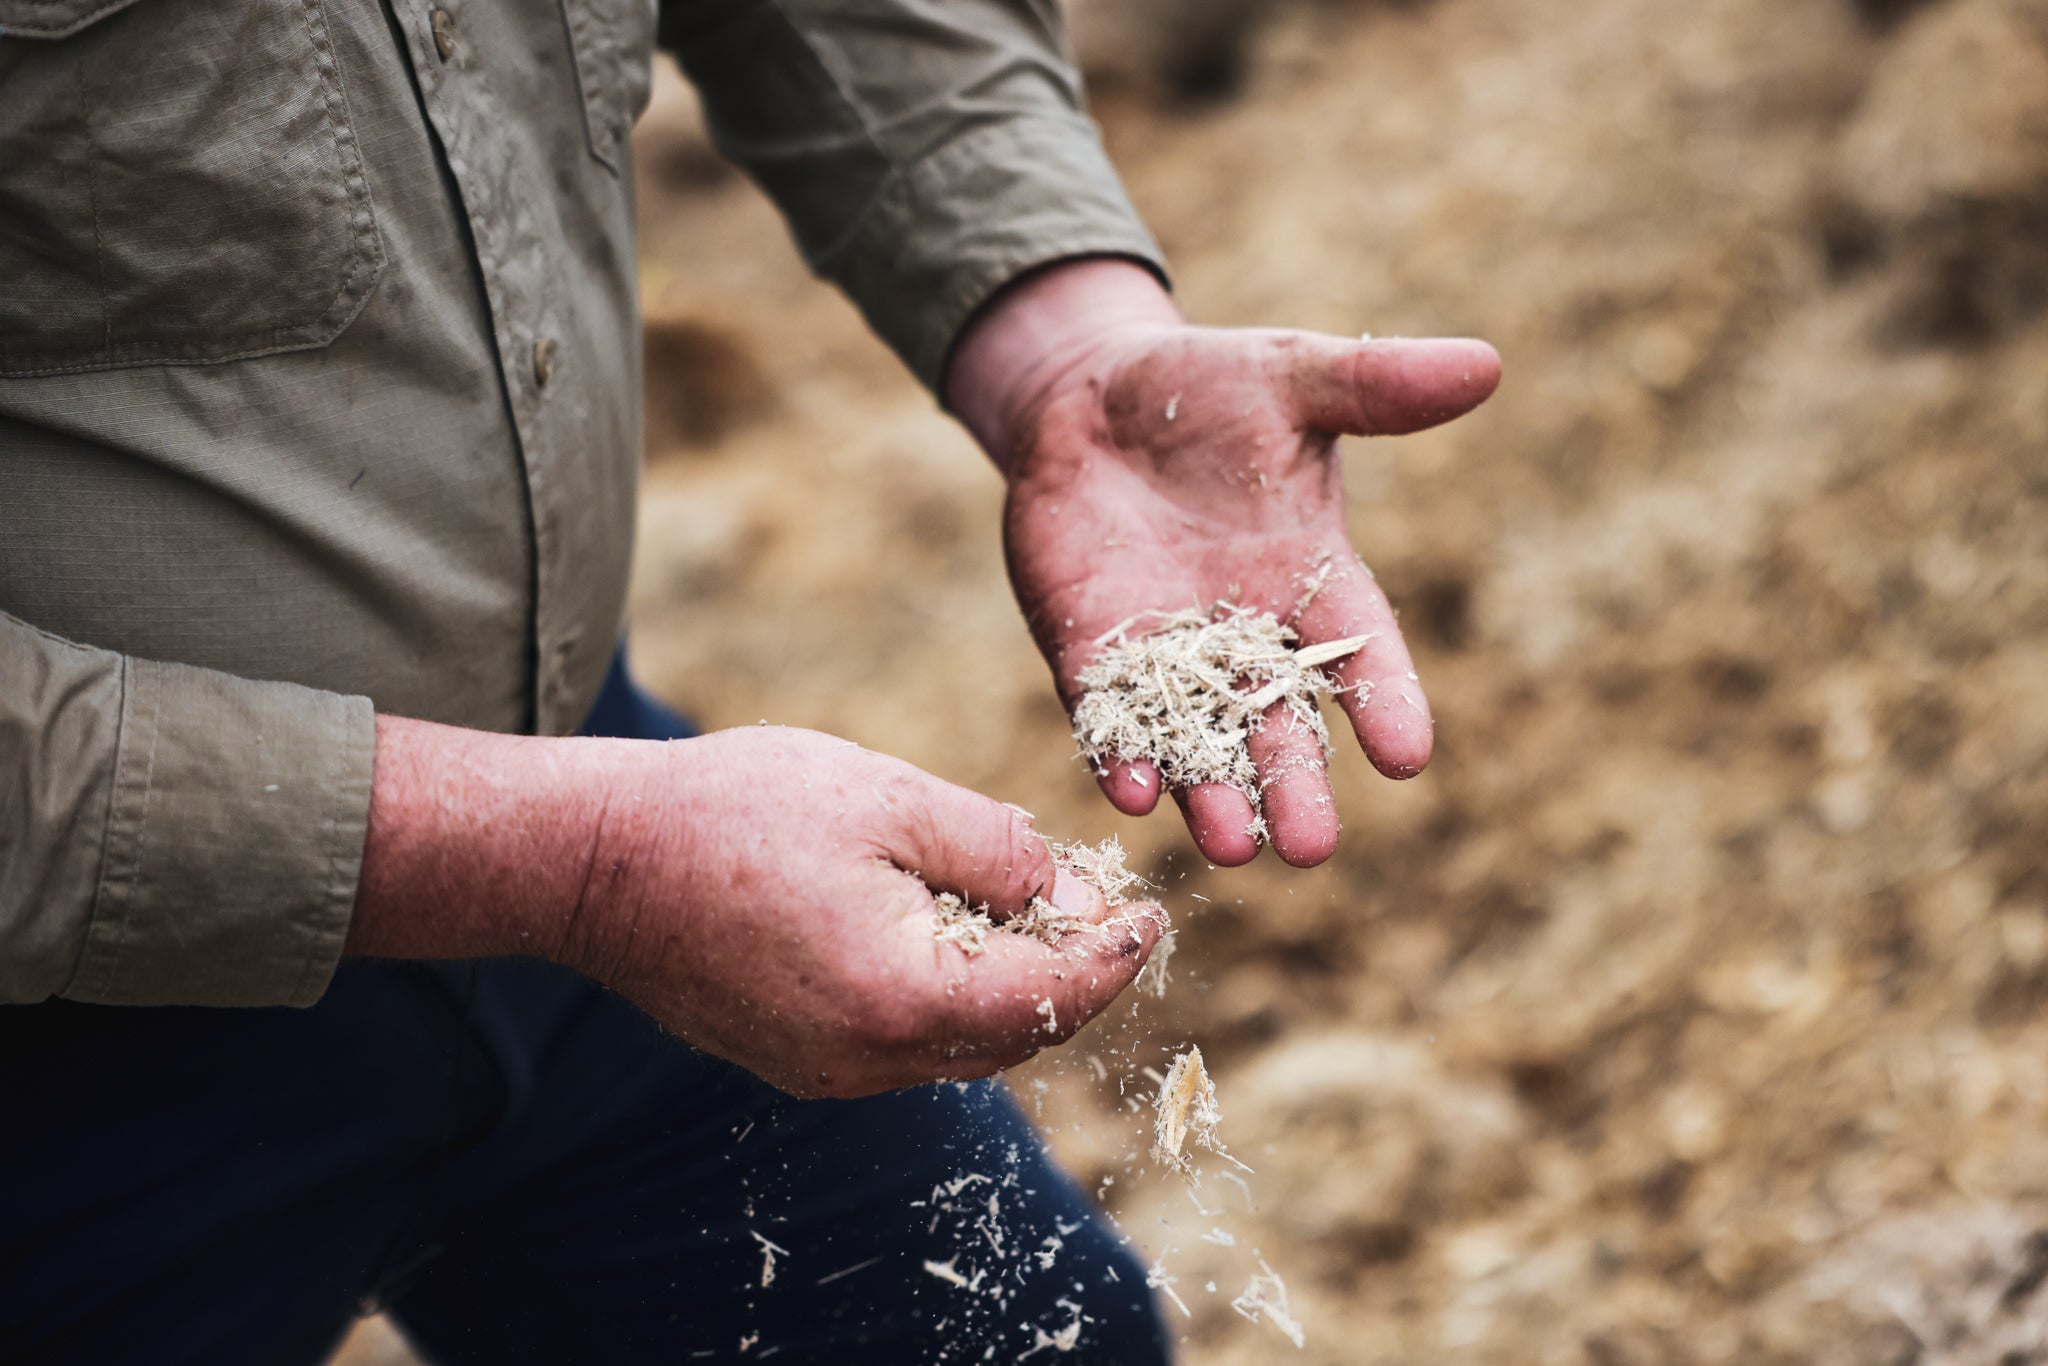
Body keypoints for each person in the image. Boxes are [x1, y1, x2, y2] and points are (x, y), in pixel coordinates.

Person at [0, 1, 1500, 1361]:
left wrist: (1062, 341)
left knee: (1022, 1340)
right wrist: (583, 864)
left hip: (577, 814)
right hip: (70, 1045)